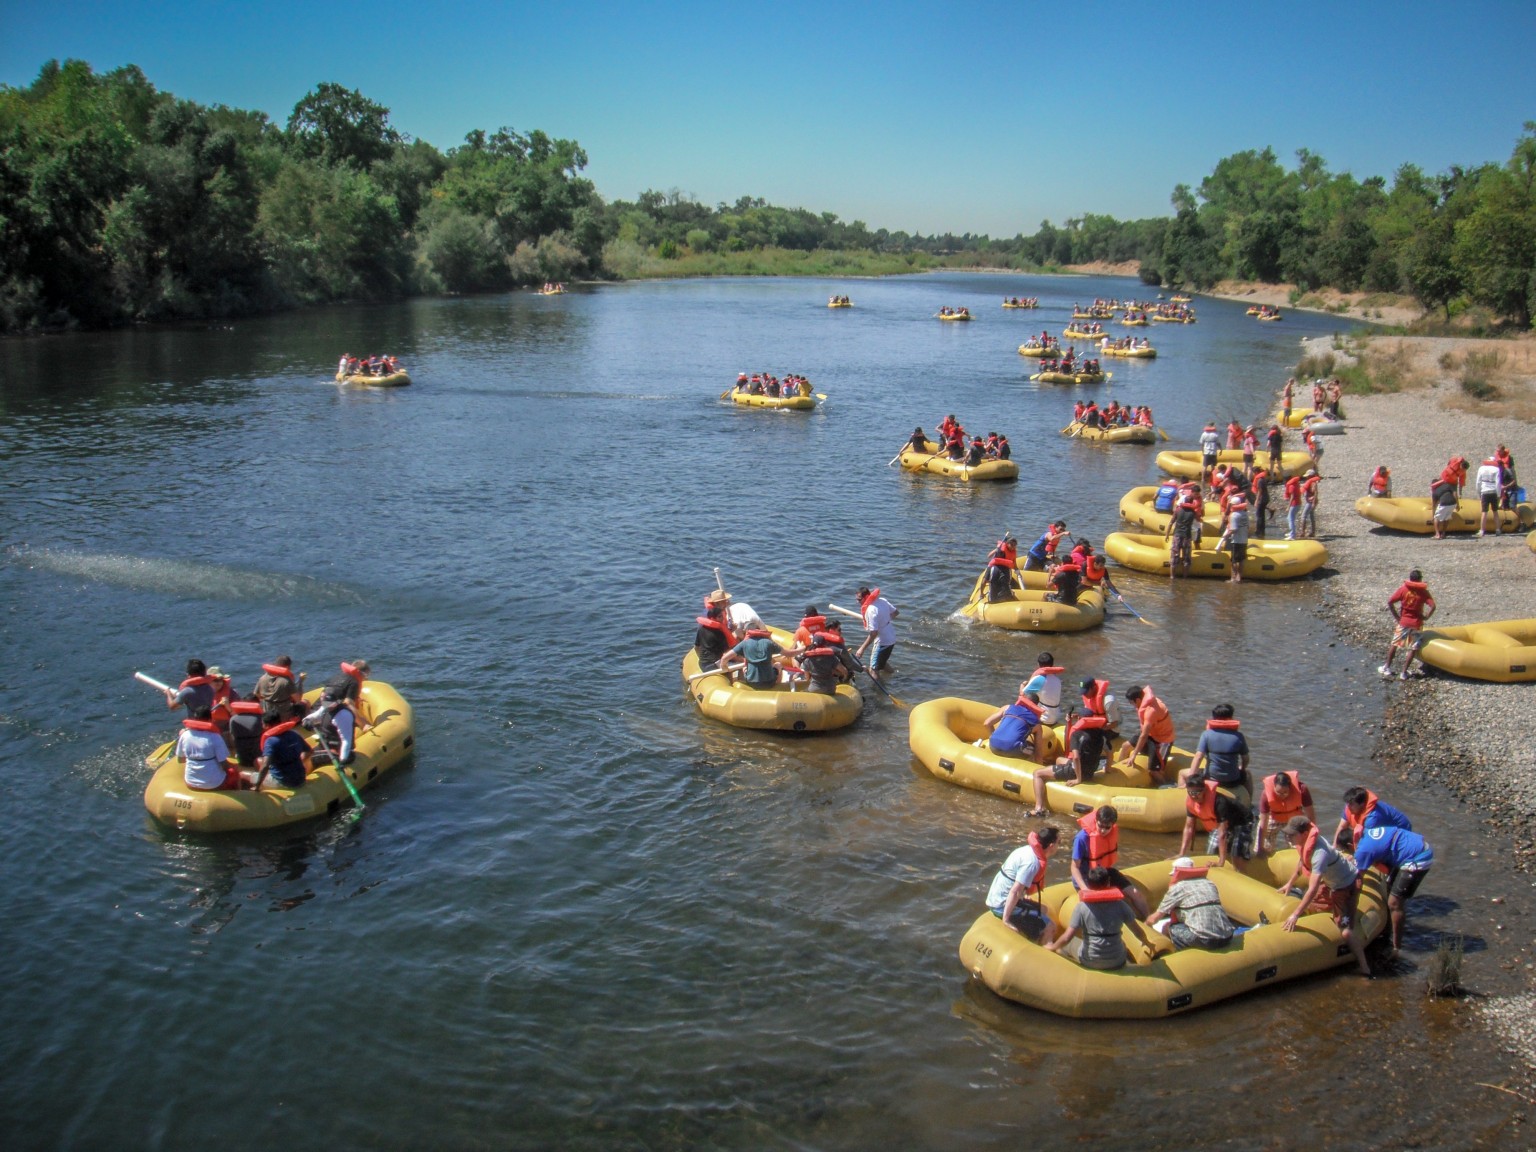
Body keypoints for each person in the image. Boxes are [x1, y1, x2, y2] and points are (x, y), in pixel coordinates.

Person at [1279, 818, 1372, 976]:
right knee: (1313, 907)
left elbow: (1313, 887)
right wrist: (1290, 883)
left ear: (1304, 834)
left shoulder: (1319, 854)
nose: (1288, 837)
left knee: (1345, 932)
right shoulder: (1306, 843)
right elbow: (1302, 860)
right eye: (1287, 834)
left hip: (1346, 886)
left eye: (1291, 835)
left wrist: (1295, 915)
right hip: (1332, 881)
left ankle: (1365, 968)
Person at [1044, 866, 1152, 969]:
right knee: (1122, 944)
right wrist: (1148, 943)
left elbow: (1067, 937)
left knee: (1066, 945)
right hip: (1117, 960)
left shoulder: (1081, 907)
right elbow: (1138, 932)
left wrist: (1052, 947)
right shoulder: (1121, 905)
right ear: (1109, 882)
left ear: (1089, 885)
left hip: (1090, 960)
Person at [1353, 824, 1434, 954]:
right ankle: (1386, 931)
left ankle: (1397, 947)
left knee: (1394, 903)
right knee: (1389, 888)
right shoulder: (1367, 834)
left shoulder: (1364, 850)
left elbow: (1357, 882)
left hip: (1417, 857)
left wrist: (1352, 906)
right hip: (1407, 848)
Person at [1065, 806, 1149, 917]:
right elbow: (1074, 867)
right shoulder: (1081, 838)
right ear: (1096, 821)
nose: (1103, 830)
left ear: (1113, 825)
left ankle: (1148, 923)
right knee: (1108, 907)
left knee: (1136, 895)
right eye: (1100, 826)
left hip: (1105, 871)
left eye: (1107, 827)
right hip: (1087, 876)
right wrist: (1085, 889)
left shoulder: (1111, 833)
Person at [985, 826, 1061, 943]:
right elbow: (1015, 891)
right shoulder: (1032, 863)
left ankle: (1033, 938)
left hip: (997, 897)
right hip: (1001, 904)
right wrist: (1006, 919)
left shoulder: (1026, 849)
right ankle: (1041, 950)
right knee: (1051, 927)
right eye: (1059, 842)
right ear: (1051, 845)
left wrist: (1022, 897)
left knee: (1043, 909)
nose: (1059, 845)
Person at [1029, 707, 1110, 814]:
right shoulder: (1100, 734)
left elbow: (1075, 757)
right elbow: (1110, 752)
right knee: (1058, 760)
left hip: (1076, 772)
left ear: (1080, 719)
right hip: (1090, 771)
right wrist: (1107, 769)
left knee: (1037, 773)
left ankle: (1039, 808)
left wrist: (1078, 779)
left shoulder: (1077, 734)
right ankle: (1055, 771)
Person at [1148, 858, 1236, 951]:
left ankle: (1173, 956)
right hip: (1227, 936)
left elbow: (1154, 919)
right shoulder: (1209, 883)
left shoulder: (1178, 888)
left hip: (1206, 941)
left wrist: (1145, 928)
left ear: (1178, 873)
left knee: (1167, 928)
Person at [1179, 704, 1251, 802]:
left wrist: (1191, 780)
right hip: (1233, 781)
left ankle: (1185, 802)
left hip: (1211, 779)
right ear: (1231, 718)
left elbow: (1198, 757)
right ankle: (1248, 802)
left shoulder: (1207, 735)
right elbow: (1246, 759)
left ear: (1214, 718)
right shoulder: (1239, 736)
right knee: (1248, 774)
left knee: (1182, 773)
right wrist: (1242, 769)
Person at [1179, 778, 1253, 867]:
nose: (1193, 796)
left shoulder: (1220, 802)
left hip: (1242, 821)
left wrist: (1221, 862)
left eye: (1197, 792)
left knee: (1236, 856)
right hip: (1222, 823)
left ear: (1204, 790)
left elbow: (1222, 834)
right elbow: (1189, 827)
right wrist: (1181, 853)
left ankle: (1239, 870)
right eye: (1190, 792)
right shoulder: (1192, 803)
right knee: (1211, 854)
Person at [1378, 568, 1435, 680]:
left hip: (1403, 622)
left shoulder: (1404, 589)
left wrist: (1397, 617)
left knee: (1395, 644)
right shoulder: (1423, 592)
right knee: (1413, 648)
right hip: (1417, 624)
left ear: (1410, 579)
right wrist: (1426, 617)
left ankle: (1386, 667)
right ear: (1420, 580)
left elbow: (1390, 602)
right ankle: (1403, 673)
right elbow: (1433, 606)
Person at [175, 704, 243, 791]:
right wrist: (236, 767)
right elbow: (224, 765)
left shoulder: (185, 735)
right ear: (210, 720)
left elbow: (180, 760)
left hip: (190, 782)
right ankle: (239, 793)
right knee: (235, 773)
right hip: (214, 784)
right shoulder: (215, 737)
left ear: (195, 720)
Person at [1118, 685, 1175, 784]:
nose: (1131, 704)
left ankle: (1166, 785)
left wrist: (1134, 755)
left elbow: (1144, 735)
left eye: (1131, 702)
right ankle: (1117, 772)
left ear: (1138, 700)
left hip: (1162, 740)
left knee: (1154, 771)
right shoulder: (1144, 703)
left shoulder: (1151, 711)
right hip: (1151, 734)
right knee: (1125, 746)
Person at [1254, 770, 1315, 854]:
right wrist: (1260, 848)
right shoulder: (1266, 794)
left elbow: (1311, 817)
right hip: (1273, 817)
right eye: (1278, 792)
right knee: (1263, 848)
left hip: (1293, 819)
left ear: (1290, 788)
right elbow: (1263, 822)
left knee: (1298, 849)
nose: (1281, 795)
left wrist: (1312, 838)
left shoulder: (1302, 790)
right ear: (1274, 787)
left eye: (1285, 792)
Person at [254, 708, 313, 790]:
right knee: (260, 760)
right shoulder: (293, 734)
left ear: (266, 725)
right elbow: (309, 750)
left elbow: (265, 765)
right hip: (301, 778)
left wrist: (257, 786)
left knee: (244, 774)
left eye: (262, 724)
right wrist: (298, 762)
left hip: (283, 782)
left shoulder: (270, 741)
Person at [982, 685, 1045, 760]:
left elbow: (987, 723)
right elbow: (1039, 751)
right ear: (1036, 706)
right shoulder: (1035, 722)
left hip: (993, 745)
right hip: (1012, 750)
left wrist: (993, 737)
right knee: (1033, 749)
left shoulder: (1007, 707)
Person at [1335, 786, 1413, 844]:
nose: (1348, 807)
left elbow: (1368, 842)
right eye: (1348, 804)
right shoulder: (1350, 806)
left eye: (1351, 804)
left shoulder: (1372, 818)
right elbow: (1341, 827)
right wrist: (1334, 847)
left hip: (1401, 829)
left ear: (1362, 804)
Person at [798, 618, 856, 694]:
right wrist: (843, 676)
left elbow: (807, 678)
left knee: (803, 691)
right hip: (830, 689)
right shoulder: (831, 657)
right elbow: (844, 671)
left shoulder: (808, 659)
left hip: (814, 689)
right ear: (824, 644)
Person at [853, 586, 898, 681]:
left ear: (865, 597)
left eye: (859, 600)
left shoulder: (870, 610)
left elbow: (873, 634)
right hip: (891, 636)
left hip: (882, 642)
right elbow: (896, 612)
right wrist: (884, 620)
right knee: (882, 662)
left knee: (873, 669)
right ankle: (896, 677)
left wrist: (862, 649)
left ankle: (880, 692)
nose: (858, 602)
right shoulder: (882, 600)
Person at [720, 626, 788, 688]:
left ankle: (744, 686)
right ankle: (777, 686)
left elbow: (724, 658)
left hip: (752, 682)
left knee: (744, 667)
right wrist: (798, 650)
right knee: (778, 665)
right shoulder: (768, 643)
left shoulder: (745, 643)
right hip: (769, 681)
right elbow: (788, 653)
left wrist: (725, 668)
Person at [254, 656, 306, 722]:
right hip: (283, 716)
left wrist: (270, 698)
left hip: (267, 715)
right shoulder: (286, 681)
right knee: (304, 704)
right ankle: (304, 724)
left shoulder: (262, 678)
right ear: (287, 667)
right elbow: (298, 699)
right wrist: (301, 681)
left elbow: (256, 695)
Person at [694, 590, 738, 670]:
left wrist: (729, 630)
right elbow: (726, 653)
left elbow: (696, 647)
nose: (727, 602)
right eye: (724, 601)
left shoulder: (713, 616)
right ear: (717, 603)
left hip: (706, 658)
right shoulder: (718, 630)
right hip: (716, 660)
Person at [1022, 653, 1066, 729]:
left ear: (1038, 664)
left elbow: (1023, 694)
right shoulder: (1057, 679)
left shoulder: (1040, 679)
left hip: (1044, 719)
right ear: (1052, 664)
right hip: (1055, 717)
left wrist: (1023, 684)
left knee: (1025, 700)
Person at [1165, 493, 1198, 581]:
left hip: (1177, 535)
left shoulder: (1178, 510)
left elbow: (1171, 522)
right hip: (1187, 536)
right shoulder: (1193, 512)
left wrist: (1167, 534)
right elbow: (1198, 520)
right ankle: (1184, 578)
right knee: (1186, 558)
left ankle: (1172, 577)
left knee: (1174, 557)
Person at [1220, 491, 1250, 582]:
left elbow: (1234, 529)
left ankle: (1233, 578)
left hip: (1236, 540)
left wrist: (1225, 536)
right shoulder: (1245, 514)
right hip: (1244, 539)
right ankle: (1239, 578)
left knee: (1233, 561)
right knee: (1241, 560)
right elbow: (1248, 527)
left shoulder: (1234, 515)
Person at [1475, 454, 1507, 536]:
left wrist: (1479, 492)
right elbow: (1498, 483)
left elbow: (1478, 482)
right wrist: (1499, 494)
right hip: (1493, 492)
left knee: (1484, 512)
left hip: (1484, 491)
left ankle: (1482, 530)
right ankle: (1498, 530)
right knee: (1495, 511)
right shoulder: (1496, 469)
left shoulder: (1481, 468)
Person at [985, 536, 1019, 603]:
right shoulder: (1001, 549)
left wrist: (1017, 570)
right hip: (995, 567)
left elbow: (1014, 562)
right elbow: (989, 556)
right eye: (1011, 545)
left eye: (1014, 545)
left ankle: (1006, 596)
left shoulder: (1013, 552)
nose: (1013, 547)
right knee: (990, 581)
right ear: (1007, 543)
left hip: (1005, 569)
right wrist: (997, 549)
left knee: (1005, 583)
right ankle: (987, 596)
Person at [1431, 471, 1460, 538]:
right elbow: (1455, 494)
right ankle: (1443, 533)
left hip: (1444, 503)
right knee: (1446, 518)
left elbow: (1434, 505)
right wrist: (1457, 505)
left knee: (1436, 518)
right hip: (1452, 503)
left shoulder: (1435, 492)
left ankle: (1437, 534)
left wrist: (1433, 516)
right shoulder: (1447, 485)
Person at [1298, 469, 1320, 538]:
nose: (1306, 477)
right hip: (1311, 501)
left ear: (1310, 476)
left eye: (1308, 476)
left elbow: (1315, 493)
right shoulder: (1311, 482)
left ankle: (1302, 532)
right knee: (1311, 516)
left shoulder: (1313, 483)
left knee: (1303, 516)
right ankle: (1312, 532)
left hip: (1311, 502)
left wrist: (1313, 503)